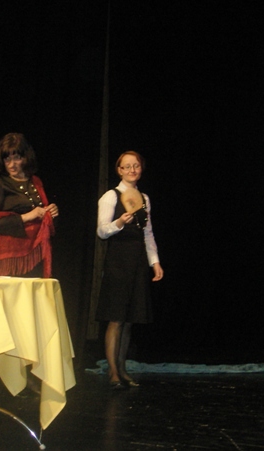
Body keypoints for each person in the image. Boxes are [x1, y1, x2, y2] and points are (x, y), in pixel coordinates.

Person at [96, 150, 164, 390]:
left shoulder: (144, 198)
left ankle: (122, 368)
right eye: (127, 166)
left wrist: (154, 262)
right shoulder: (110, 196)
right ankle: (113, 372)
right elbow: (101, 231)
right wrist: (119, 223)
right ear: (119, 170)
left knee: (129, 320)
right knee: (116, 318)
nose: (132, 170)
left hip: (137, 261)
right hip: (118, 261)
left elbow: (148, 233)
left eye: (136, 166)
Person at [0, 132, 58, 278]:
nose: (12, 165)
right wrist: (27, 216)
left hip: (34, 251)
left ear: (26, 157)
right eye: (7, 159)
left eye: (17, 158)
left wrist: (51, 212)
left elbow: (45, 221)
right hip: (7, 256)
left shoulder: (35, 181)